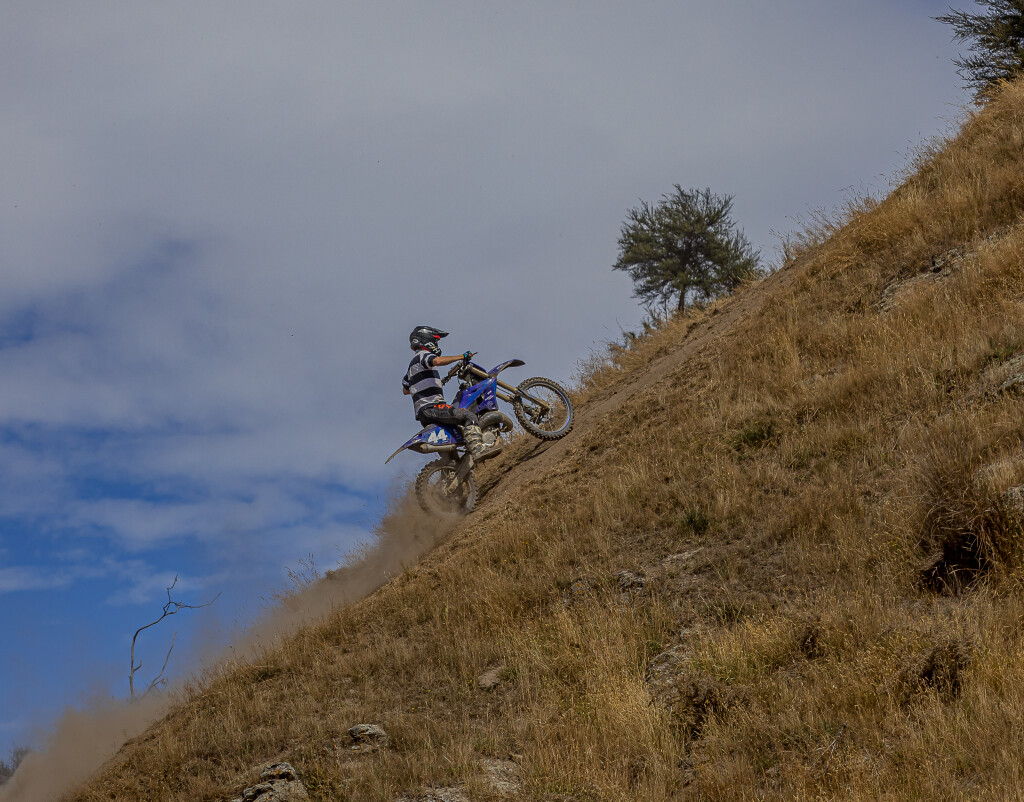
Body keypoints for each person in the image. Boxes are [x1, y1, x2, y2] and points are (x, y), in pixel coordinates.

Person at [403, 325, 494, 460]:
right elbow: (437, 361)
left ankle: (452, 467)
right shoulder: (423, 355)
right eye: (435, 340)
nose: (436, 344)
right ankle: (478, 449)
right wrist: (461, 356)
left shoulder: (412, 367)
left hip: (423, 413)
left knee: (454, 436)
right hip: (433, 407)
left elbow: (405, 389)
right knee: (468, 416)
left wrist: (425, 384)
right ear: (426, 340)